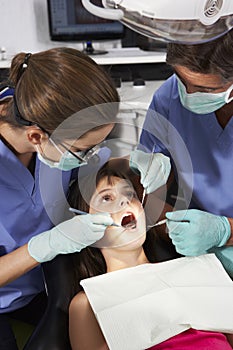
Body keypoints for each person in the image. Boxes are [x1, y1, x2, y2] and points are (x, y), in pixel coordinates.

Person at [0, 47, 122, 349]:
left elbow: (89, 167)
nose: (90, 154)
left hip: (44, 285)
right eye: (83, 148)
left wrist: (135, 162)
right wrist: (47, 245)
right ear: (36, 137)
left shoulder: (49, 125)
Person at [68, 158, 233, 350]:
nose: (124, 201)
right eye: (106, 198)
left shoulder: (199, 268)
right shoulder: (88, 303)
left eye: (130, 194)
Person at [129, 28, 233, 277]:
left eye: (205, 89)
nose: (188, 94)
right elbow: (152, 193)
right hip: (195, 256)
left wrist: (225, 231)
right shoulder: (168, 97)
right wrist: (166, 223)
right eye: (181, 79)